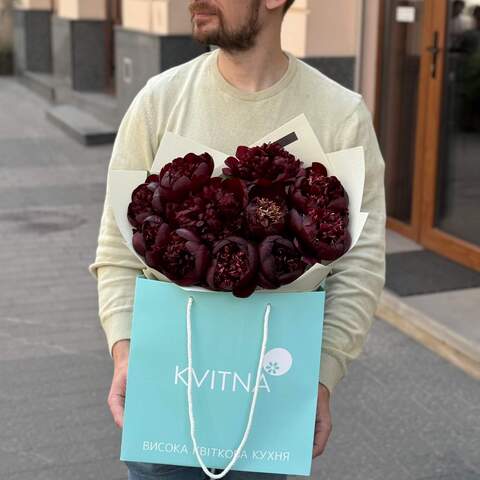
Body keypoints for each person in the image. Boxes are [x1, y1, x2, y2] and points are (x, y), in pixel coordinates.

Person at [88, 0, 386, 478]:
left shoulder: (340, 114)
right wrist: (124, 353)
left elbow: (359, 265)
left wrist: (323, 377)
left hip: (271, 406)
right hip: (166, 396)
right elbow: (116, 247)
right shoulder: (159, 100)